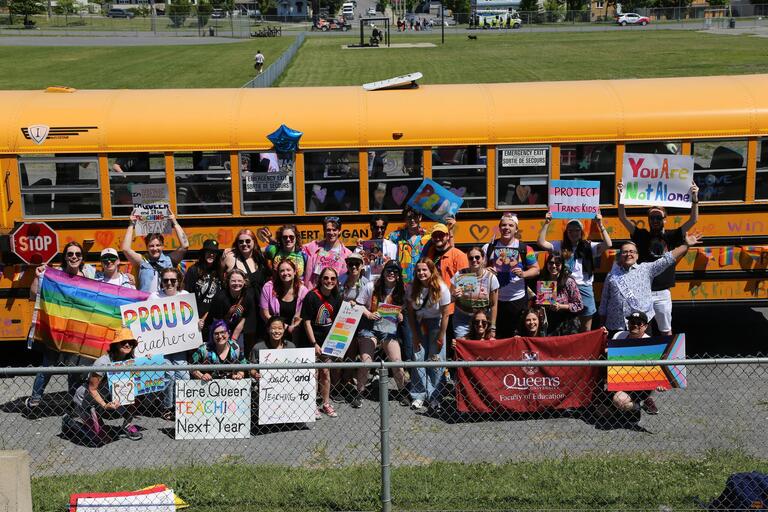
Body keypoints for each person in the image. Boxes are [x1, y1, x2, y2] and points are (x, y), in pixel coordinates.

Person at [617, 181, 700, 335]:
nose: (655, 221)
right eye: (652, 218)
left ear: (665, 219)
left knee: (665, 330)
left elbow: (693, 220)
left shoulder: (673, 236)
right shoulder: (641, 236)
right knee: (643, 330)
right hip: (643, 291)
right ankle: (647, 358)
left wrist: (695, 198)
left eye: (658, 218)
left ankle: (666, 359)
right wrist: (621, 196)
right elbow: (622, 217)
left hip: (662, 292)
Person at [26, 241, 98, 410]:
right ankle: (35, 399)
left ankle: (74, 403)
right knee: (48, 366)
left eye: (78, 254)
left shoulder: (89, 274)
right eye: (70, 254)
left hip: (77, 331)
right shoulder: (55, 275)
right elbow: (34, 294)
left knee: (74, 369)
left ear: (82, 257)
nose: (74, 257)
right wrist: (38, 276)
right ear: (65, 257)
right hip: (56, 329)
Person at [599, 233, 702, 334]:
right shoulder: (611, 276)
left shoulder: (646, 269)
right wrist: (602, 326)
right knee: (618, 352)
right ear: (620, 255)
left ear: (637, 255)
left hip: (641, 326)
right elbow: (604, 302)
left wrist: (686, 245)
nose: (628, 254)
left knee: (644, 352)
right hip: (616, 326)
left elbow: (667, 259)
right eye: (625, 252)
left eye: (632, 251)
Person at [537, 212, 611, 331]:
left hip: (583, 286)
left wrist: (600, 224)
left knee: (585, 326)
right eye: (570, 230)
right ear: (566, 232)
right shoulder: (560, 245)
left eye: (576, 230)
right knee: (557, 319)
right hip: (562, 285)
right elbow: (541, 243)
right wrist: (547, 223)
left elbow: (608, 244)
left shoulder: (588, 245)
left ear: (581, 232)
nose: (573, 233)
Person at [69, 327, 143, 441]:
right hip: (87, 401)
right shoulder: (103, 363)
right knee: (100, 437)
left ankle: (127, 425)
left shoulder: (130, 361)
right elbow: (92, 389)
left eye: (131, 343)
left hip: (107, 396)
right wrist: (104, 405)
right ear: (116, 344)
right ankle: (70, 424)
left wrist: (148, 359)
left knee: (137, 394)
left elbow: (143, 373)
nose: (128, 345)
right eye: (123, 342)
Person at [354, 260, 410, 407]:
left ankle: (402, 390)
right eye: (389, 270)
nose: (391, 273)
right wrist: (368, 314)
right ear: (383, 271)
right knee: (366, 362)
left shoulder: (402, 290)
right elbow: (358, 305)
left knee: (396, 361)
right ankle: (360, 392)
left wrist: (400, 316)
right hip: (369, 326)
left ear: (398, 275)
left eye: (395, 271)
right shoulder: (371, 286)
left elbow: (402, 309)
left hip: (388, 328)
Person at [481, 213, 540, 338]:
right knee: (496, 336)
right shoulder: (489, 247)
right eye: (503, 225)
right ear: (499, 228)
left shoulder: (525, 248)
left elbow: (536, 269)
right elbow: (478, 269)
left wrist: (524, 273)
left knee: (518, 336)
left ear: (516, 229)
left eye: (511, 225)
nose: (506, 228)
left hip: (518, 299)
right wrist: (486, 270)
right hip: (495, 300)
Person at [407, 260, 451, 413]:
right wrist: (414, 334)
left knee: (435, 360)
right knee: (418, 358)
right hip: (419, 324)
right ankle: (418, 394)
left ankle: (435, 396)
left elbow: (446, 315)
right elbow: (410, 313)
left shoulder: (442, 288)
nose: (421, 273)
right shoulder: (412, 288)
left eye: (424, 270)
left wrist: (441, 336)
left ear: (431, 270)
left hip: (436, 325)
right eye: (418, 270)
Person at [301, 267, 343, 419]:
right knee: (314, 373)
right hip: (311, 339)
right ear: (320, 279)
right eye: (326, 278)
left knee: (325, 372)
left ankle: (326, 402)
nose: (329, 281)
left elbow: (339, 320)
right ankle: (311, 405)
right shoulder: (311, 296)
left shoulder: (337, 297)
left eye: (332, 279)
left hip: (328, 341)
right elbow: (306, 322)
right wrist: (313, 343)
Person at [609, 311, 664, 423]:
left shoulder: (650, 343)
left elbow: (658, 369)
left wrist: (661, 383)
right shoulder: (618, 336)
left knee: (618, 400)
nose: (634, 325)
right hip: (620, 381)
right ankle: (640, 405)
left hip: (640, 386)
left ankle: (639, 403)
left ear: (646, 326)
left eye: (639, 323)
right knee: (601, 412)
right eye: (632, 322)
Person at [152, 268, 193, 420]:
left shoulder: (185, 296)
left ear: (178, 281)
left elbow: (192, 320)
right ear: (161, 281)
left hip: (180, 345)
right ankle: (167, 407)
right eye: (166, 280)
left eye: (173, 280)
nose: (169, 283)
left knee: (183, 375)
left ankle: (183, 406)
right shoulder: (154, 297)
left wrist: (198, 324)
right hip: (161, 345)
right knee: (168, 374)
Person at [221, 229, 269, 351]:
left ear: (254, 242)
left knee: (260, 341)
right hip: (242, 308)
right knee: (243, 343)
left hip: (260, 308)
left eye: (248, 241)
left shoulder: (260, 257)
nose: (244, 244)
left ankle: (255, 368)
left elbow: (276, 247)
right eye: (240, 241)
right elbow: (221, 277)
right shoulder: (231, 258)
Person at [121, 212, 189, 294]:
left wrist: (174, 222)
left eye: (158, 245)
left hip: (167, 303)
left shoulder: (170, 260)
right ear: (147, 247)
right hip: (147, 303)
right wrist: (131, 225)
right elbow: (126, 249)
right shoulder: (142, 261)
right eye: (151, 246)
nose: (155, 248)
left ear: (163, 246)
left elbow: (185, 245)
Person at [450, 246, 499, 339]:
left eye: (477, 257)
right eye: (471, 258)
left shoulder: (491, 278)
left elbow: (494, 305)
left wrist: (493, 327)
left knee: (481, 347)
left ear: (483, 258)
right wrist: (454, 295)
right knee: (464, 346)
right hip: (462, 318)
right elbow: (450, 299)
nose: (474, 260)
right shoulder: (459, 274)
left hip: (482, 319)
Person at [259, 259, 309, 342]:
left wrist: (293, 327)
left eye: (288, 270)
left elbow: (302, 316)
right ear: (278, 273)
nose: (285, 273)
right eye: (282, 271)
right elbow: (264, 314)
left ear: (295, 271)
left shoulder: (303, 291)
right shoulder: (268, 287)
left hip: (296, 332)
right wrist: (282, 327)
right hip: (274, 331)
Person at [207, 268, 255, 353]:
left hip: (237, 331)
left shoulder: (248, 297)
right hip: (218, 330)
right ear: (228, 282)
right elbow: (217, 322)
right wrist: (224, 339)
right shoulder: (220, 298)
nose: (237, 283)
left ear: (244, 282)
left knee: (236, 353)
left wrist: (233, 340)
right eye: (233, 281)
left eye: (240, 281)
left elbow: (243, 320)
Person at [539, 251, 583, 336]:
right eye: (551, 263)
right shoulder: (544, 281)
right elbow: (545, 304)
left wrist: (561, 306)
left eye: (557, 264)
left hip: (568, 323)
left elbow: (579, 305)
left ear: (562, 265)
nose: (554, 266)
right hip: (551, 322)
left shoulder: (568, 281)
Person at [302, 217, 352, 289]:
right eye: (328, 230)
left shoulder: (347, 254)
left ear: (339, 231)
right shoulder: (314, 247)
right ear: (324, 231)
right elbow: (297, 247)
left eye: (334, 230)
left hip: (335, 294)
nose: (331, 233)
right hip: (315, 293)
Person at [183, 239, 222, 321]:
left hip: (213, 317)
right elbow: (187, 293)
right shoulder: (193, 270)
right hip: (196, 317)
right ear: (203, 253)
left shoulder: (219, 271)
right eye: (208, 252)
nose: (211, 255)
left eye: (214, 252)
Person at [358, 215, 397, 282]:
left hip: (386, 284)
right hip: (368, 284)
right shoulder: (361, 248)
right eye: (376, 227)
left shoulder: (392, 246)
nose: (379, 230)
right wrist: (360, 261)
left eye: (382, 228)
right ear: (371, 227)